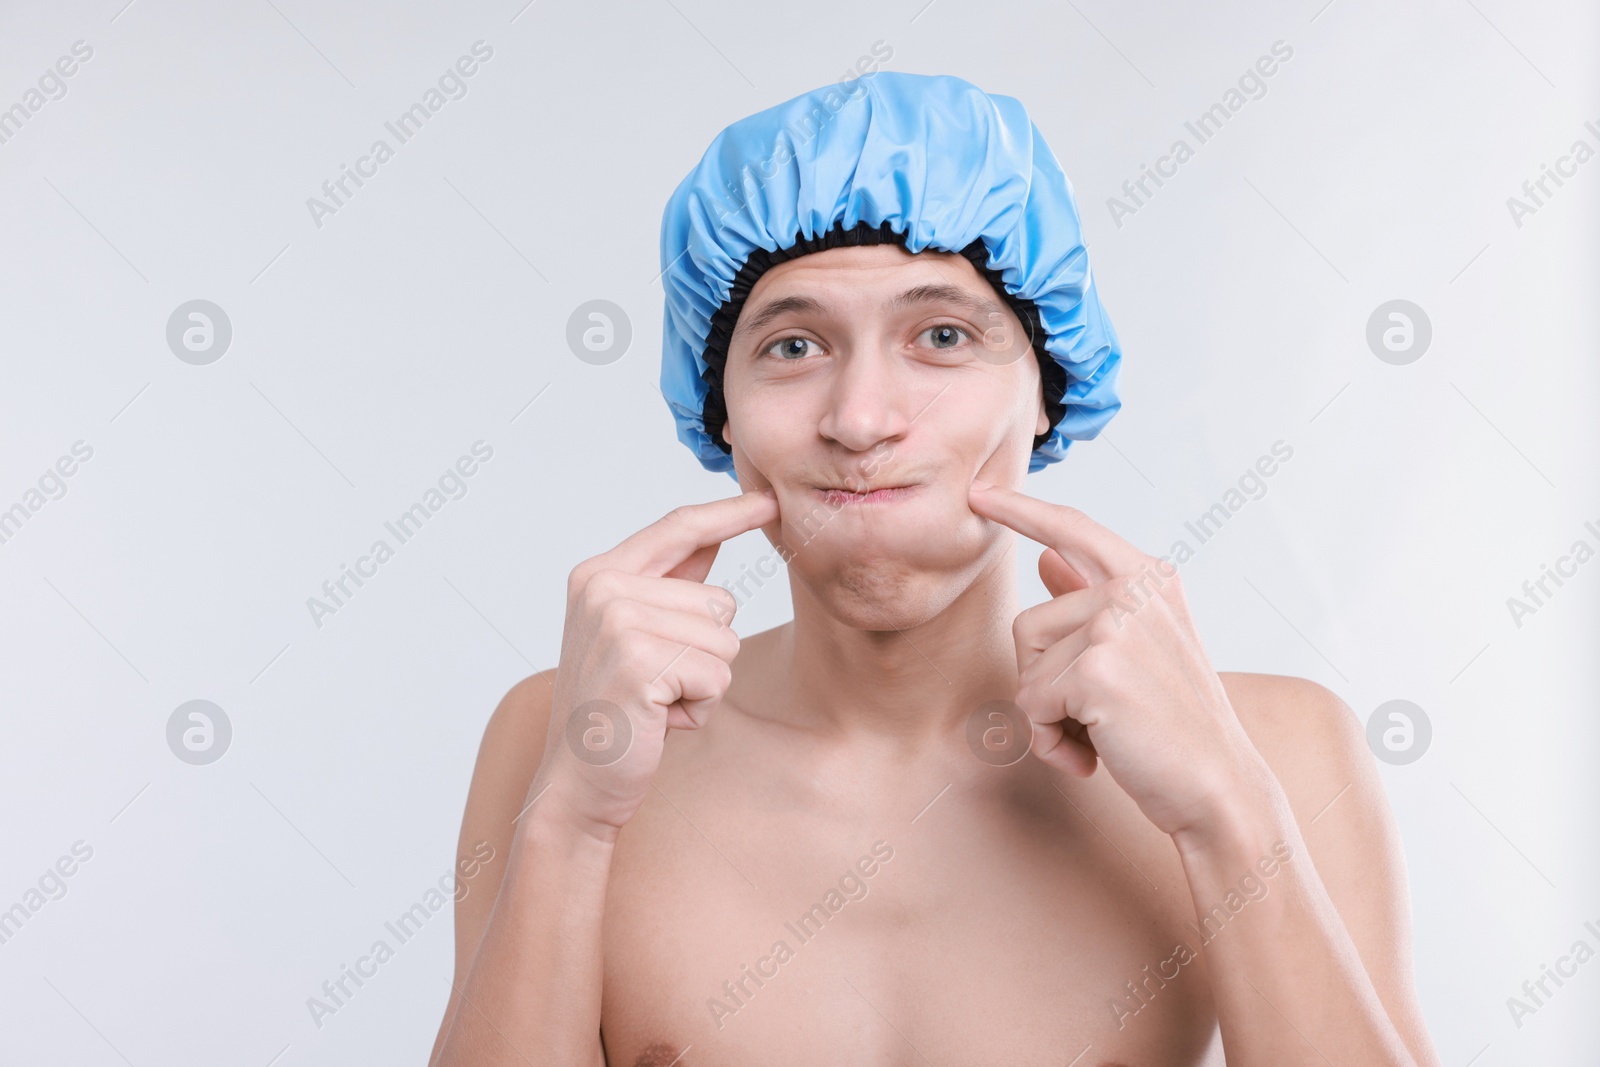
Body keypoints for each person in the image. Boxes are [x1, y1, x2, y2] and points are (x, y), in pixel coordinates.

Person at [431, 72, 1441, 1066]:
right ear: (720, 410)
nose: (860, 416)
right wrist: (570, 820)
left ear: (1045, 389)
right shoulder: (559, 728)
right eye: (792, 344)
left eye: (943, 335)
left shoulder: (1282, 746)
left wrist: (1228, 809)